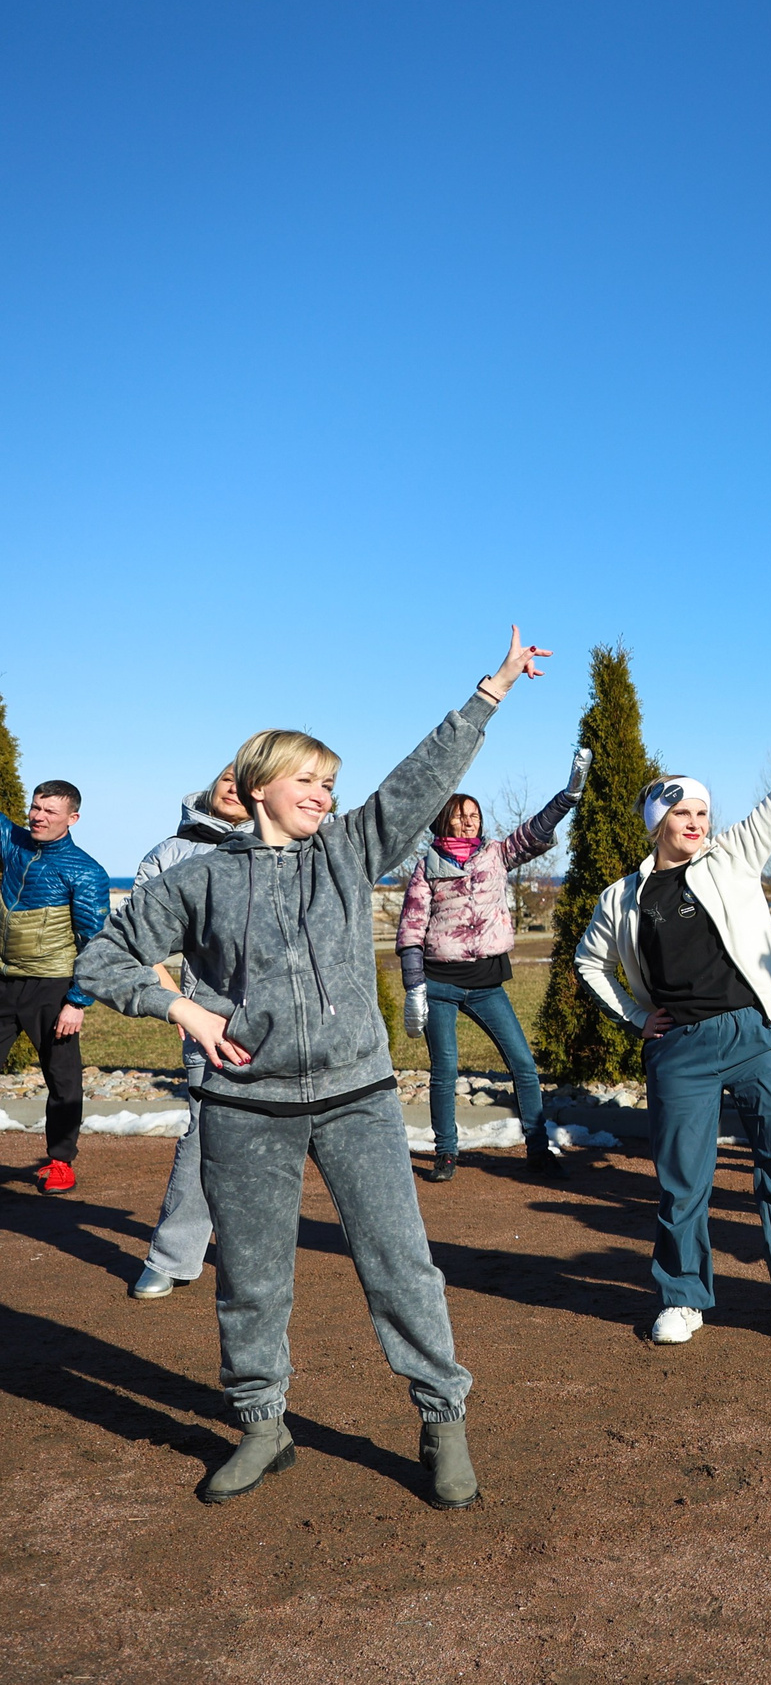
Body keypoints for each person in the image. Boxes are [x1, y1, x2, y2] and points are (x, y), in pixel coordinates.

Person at [76, 628, 554, 1509]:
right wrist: (182, 1008)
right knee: (253, 1276)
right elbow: (105, 957)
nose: (326, 794)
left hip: (357, 1096)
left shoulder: (345, 852)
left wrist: (491, 691)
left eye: (331, 782)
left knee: (401, 1262)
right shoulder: (197, 880)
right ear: (259, 785)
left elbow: (419, 783)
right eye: (310, 779)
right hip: (245, 1106)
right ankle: (264, 1425)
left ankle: (443, 1417)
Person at [576, 704, 771, 1350]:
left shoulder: (733, 854)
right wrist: (633, 1016)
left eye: (703, 813)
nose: (697, 824)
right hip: (679, 1047)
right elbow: (588, 961)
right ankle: (683, 1295)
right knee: (683, 1179)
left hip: (756, 1035)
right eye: (683, 814)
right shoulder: (623, 897)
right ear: (659, 822)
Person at [396, 749, 590, 1182]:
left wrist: (568, 795)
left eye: (474, 815)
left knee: (523, 1064)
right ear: (444, 821)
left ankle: (538, 1152)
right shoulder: (426, 867)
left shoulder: (496, 855)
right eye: (460, 816)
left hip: (487, 985)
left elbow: (536, 829)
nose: (469, 821)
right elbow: (411, 928)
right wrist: (415, 987)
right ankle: (446, 1153)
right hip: (439, 983)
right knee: (444, 1070)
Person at [128, 765, 255, 1299]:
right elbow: (141, 941)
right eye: (225, 777)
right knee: (205, 1134)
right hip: (213, 1016)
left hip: (292, 1015)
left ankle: (255, 1244)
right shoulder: (170, 854)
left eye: (243, 780)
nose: (232, 785)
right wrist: (179, 1007)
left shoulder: (289, 846)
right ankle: (174, 1255)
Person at [1, 779, 110, 1197]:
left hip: (53, 988)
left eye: (49, 811)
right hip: (4, 979)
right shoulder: (15, 845)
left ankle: (60, 1162)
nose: (37, 817)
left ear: (72, 819)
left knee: (63, 1080)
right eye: (35, 808)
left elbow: (97, 944)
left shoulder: (85, 871)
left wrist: (78, 1001)